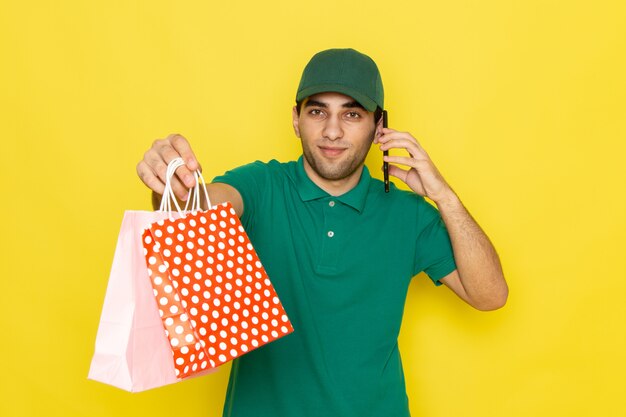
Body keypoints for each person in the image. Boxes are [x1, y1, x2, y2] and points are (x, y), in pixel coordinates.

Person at [136, 48, 508, 417]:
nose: (332, 131)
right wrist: (170, 179)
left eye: (351, 114)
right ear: (296, 119)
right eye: (317, 112)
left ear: (379, 128)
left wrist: (444, 196)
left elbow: (490, 295)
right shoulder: (260, 185)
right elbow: (190, 211)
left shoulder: (407, 213)